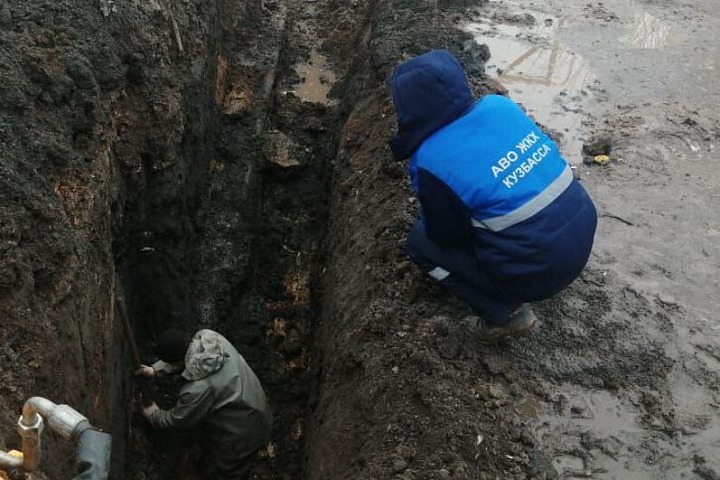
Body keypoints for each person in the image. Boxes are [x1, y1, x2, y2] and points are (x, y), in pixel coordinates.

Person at [389, 50, 598, 341]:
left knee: (420, 244)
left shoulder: (432, 160)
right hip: (581, 240)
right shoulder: (499, 107)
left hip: (539, 272)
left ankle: (503, 315)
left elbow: (447, 238)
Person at [136, 328, 272, 479]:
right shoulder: (209, 337)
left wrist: (154, 414)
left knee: (228, 470)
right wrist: (155, 370)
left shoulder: (198, 389)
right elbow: (187, 359)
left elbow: (178, 420)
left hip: (242, 433)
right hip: (257, 404)